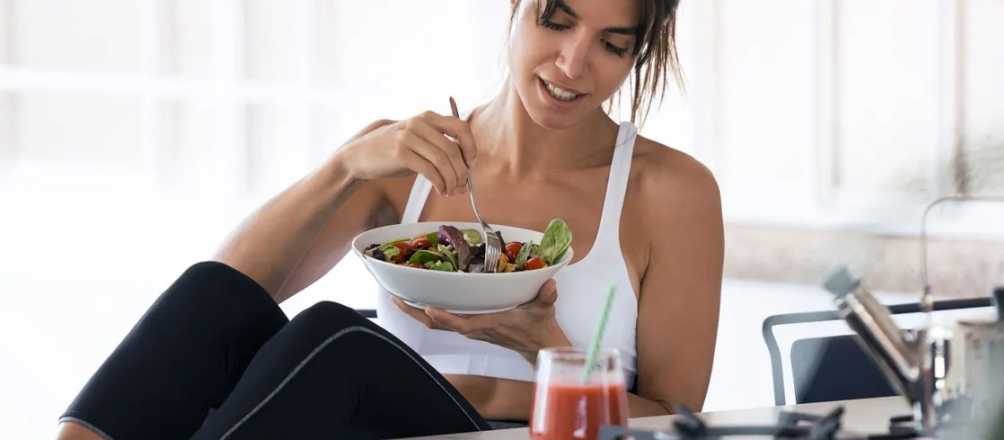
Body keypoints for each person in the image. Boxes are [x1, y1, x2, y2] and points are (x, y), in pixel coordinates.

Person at [57, 0, 723, 438]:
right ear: (517, 11)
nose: (574, 64)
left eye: (611, 43)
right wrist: (347, 164)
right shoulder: (410, 157)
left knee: (339, 340)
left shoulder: (667, 191)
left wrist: (530, 353)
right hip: (367, 424)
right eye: (557, 20)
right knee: (214, 298)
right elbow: (225, 292)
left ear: (638, 54)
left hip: (519, 430)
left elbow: (676, 416)